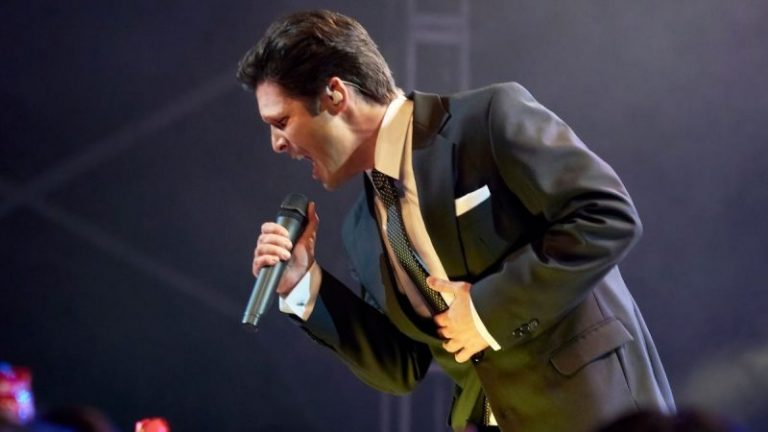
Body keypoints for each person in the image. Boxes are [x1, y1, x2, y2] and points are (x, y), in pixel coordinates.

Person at [238, 9, 675, 432]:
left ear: (335, 95)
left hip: (592, 408)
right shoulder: (361, 230)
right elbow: (401, 368)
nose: (276, 143)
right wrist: (304, 283)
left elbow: (607, 214)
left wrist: (484, 310)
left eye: (282, 121)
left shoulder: (485, 120)